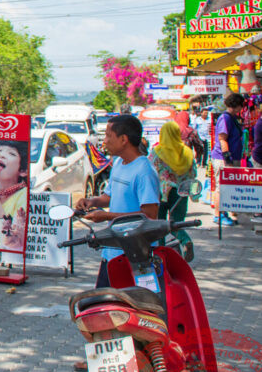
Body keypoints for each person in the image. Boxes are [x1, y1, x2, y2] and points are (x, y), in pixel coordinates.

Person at [78, 114, 160, 288]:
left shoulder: (144, 171)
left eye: (108, 135)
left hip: (135, 256)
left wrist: (108, 217)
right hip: (112, 252)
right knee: (103, 305)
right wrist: (91, 202)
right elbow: (109, 197)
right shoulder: (117, 163)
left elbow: (150, 215)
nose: (104, 141)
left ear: (124, 139)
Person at [148, 121, 197, 262]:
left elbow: (150, 171)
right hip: (180, 194)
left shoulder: (157, 152)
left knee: (160, 225)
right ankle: (185, 240)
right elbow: (192, 174)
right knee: (177, 223)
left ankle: (161, 255)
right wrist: (193, 194)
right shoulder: (187, 152)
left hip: (161, 193)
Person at [213, 92, 246, 227]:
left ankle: (228, 213)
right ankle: (218, 215)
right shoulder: (225, 118)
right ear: (236, 105)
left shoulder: (232, 118)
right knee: (221, 187)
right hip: (224, 159)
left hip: (232, 158)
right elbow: (222, 138)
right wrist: (227, 158)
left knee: (228, 187)